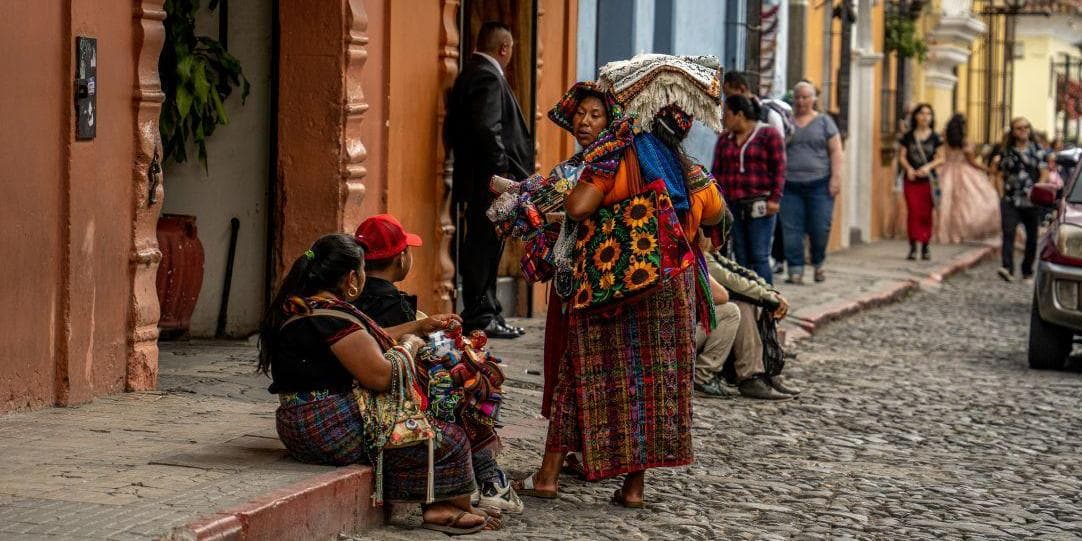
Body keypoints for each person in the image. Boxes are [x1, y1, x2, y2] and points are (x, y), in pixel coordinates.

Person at [515, 60, 726, 508]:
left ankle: (548, 476)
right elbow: (713, 214)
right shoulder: (684, 166)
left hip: (612, 284)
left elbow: (578, 207)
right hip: (671, 285)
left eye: (596, 114)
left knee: (580, 372)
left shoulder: (612, 154)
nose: (587, 122)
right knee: (652, 383)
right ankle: (633, 487)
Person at [258, 234, 499, 535]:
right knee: (448, 437)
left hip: (304, 423)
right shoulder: (332, 317)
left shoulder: (305, 306)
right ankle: (446, 507)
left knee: (423, 427)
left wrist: (418, 327)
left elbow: (368, 340)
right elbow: (381, 375)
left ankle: (440, 504)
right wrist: (409, 346)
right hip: (327, 428)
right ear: (351, 278)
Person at [351, 214, 523, 514]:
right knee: (470, 394)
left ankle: (482, 479)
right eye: (408, 250)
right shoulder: (391, 305)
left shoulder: (353, 297)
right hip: (396, 390)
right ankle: (489, 480)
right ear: (401, 258)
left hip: (381, 383)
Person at [445, 21, 534, 339]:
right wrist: (500, 180)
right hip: (488, 183)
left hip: (480, 180)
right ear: (505, 48)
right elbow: (488, 130)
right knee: (483, 247)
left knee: (486, 246)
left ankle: (488, 312)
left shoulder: (473, 72)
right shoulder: (486, 75)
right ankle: (482, 315)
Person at [694, 232, 797, 400]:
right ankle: (704, 376)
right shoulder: (699, 256)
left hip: (689, 326)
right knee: (733, 309)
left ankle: (756, 374)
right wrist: (769, 298)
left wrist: (769, 292)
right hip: (680, 329)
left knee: (747, 305)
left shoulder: (710, 255)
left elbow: (740, 272)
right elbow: (730, 285)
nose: (724, 241)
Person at [721, 71, 791, 276]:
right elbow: (719, 171)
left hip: (760, 204)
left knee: (759, 256)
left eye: (727, 114)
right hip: (734, 205)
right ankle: (748, 306)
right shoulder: (726, 140)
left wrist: (775, 199)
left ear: (739, 115)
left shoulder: (768, 133)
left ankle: (767, 303)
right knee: (741, 257)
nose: (723, 119)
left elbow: (779, 167)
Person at [780, 81, 843, 284]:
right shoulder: (786, 121)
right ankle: (795, 269)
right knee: (791, 229)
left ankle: (818, 263)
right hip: (790, 185)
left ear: (814, 99)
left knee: (820, 227)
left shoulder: (825, 122)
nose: (801, 101)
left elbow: (836, 151)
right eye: (797, 97)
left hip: (820, 184)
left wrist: (835, 178)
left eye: (805, 97)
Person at [991, 117, 1049, 283]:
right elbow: (999, 175)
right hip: (1011, 199)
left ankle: (1027, 271)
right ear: (1013, 132)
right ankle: (1007, 267)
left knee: (1032, 237)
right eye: (1019, 128)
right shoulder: (1006, 151)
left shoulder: (1038, 150)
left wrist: (1038, 187)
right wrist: (1001, 194)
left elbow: (1044, 172)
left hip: (1031, 200)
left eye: (1026, 127)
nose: (1023, 130)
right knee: (1008, 232)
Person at [932, 114, 1000, 244]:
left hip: (945, 171)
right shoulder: (965, 141)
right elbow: (972, 162)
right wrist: (988, 170)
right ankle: (960, 232)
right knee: (964, 205)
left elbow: (941, 154)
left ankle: (945, 232)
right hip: (964, 171)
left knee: (944, 204)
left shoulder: (945, 137)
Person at [898, 103, 945, 261]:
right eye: (922, 113)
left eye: (928, 114)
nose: (925, 117)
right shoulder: (908, 136)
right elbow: (902, 156)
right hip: (911, 179)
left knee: (926, 213)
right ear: (916, 116)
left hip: (928, 181)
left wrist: (928, 167)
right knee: (913, 211)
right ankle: (912, 246)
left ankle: (925, 245)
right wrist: (909, 169)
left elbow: (941, 158)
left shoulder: (936, 137)